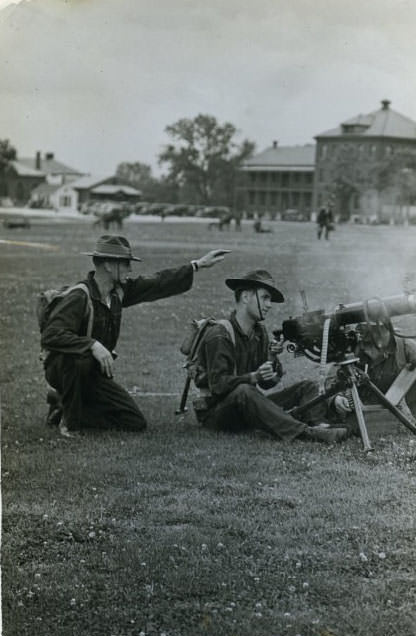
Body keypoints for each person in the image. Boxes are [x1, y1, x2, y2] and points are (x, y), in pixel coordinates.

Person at [42, 234, 229, 437]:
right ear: (107, 265)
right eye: (125, 264)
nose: (130, 269)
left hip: (91, 373)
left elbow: (156, 282)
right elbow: (51, 335)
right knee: (79, 360)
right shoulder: (80, 295)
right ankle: (70, 423)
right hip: (64, 369)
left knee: (133, 421)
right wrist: (92, 344)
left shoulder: (118, 292)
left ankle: (64, 404)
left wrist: (197, 265)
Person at [192, 269, 349, 443]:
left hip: (246, 404)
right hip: (216, 414)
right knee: (244, 391)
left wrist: (272, 359)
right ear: (245, 297)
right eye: (265, 298)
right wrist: (253, 376)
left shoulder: (259, 332)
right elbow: (218, 386)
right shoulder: (219, 334)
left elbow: (267, 384)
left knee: (307, 386)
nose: (269, 304)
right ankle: (304, 433)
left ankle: (319, 425)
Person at [329, 322, 416, 425]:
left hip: (389, 412)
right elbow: (331, 379)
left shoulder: (405, 347)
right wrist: (336, 398)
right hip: (354, 413)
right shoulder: (353, 346)